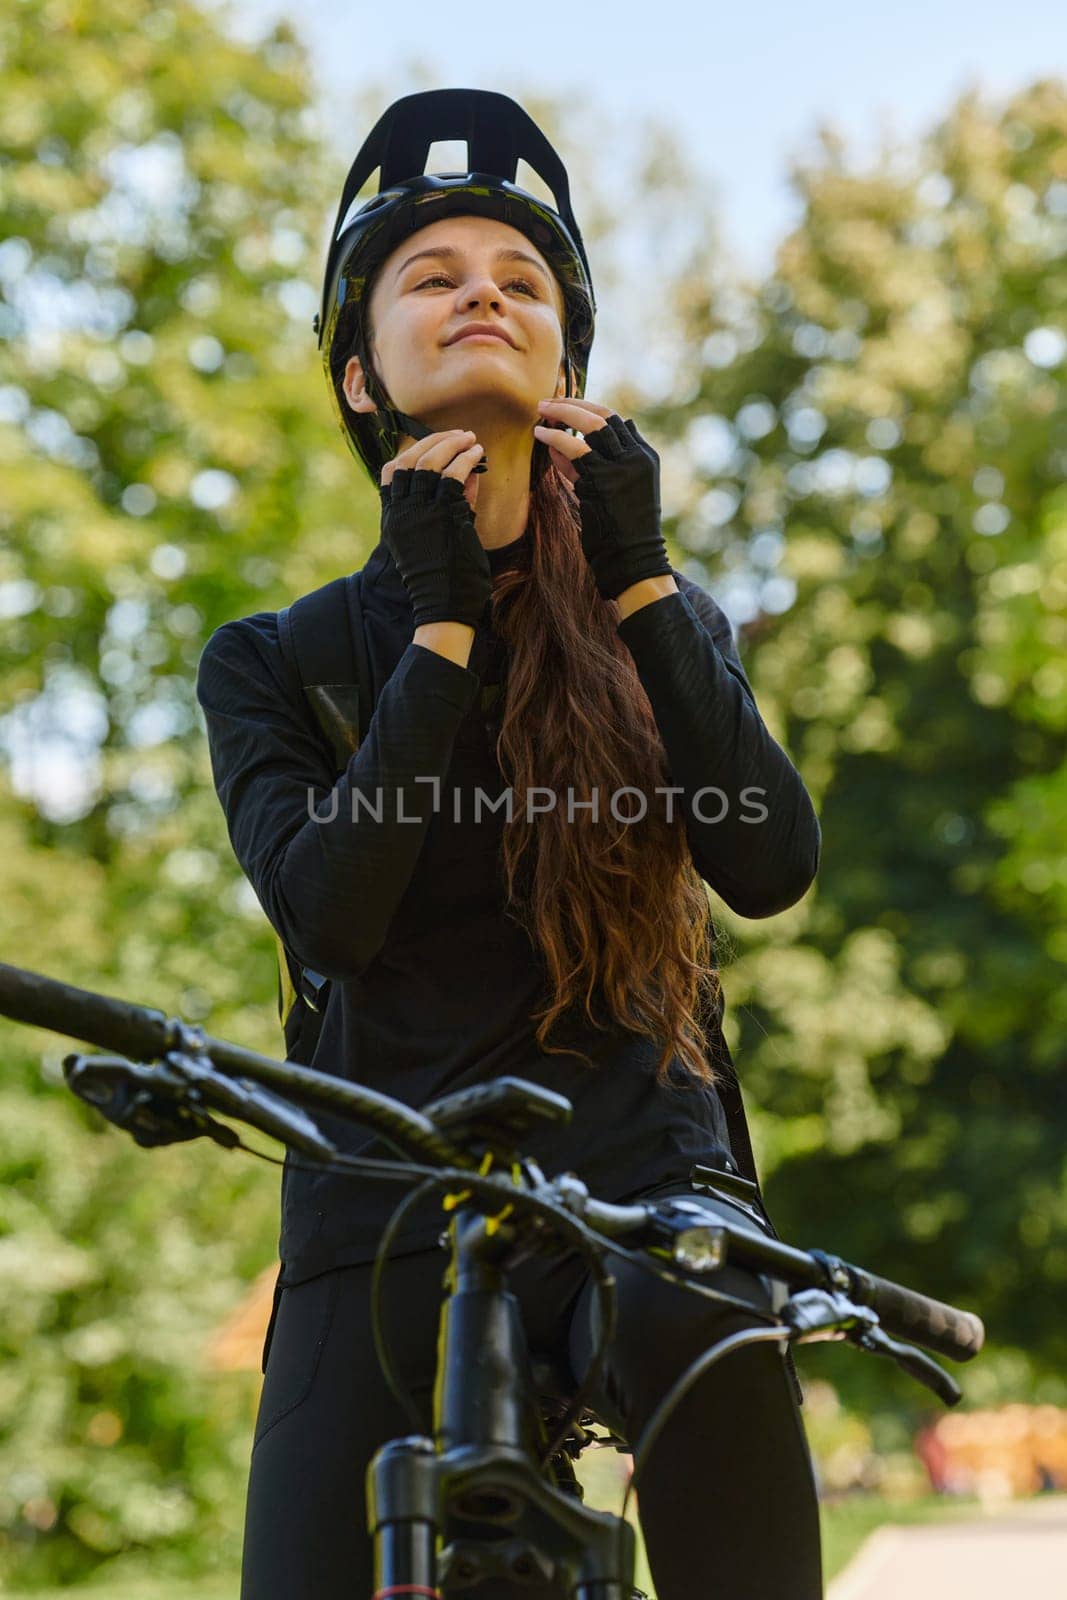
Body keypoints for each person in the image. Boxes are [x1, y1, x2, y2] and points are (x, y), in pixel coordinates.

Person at [196, 90, 824, 1599]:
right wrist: (441, 632)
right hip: (384, 1182)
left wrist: (646, 580)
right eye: (433, 275)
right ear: (362, 377)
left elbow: (769, 862)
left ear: (567, 370)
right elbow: (332, 916)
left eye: (520, 279)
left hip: (647, 1178)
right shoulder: (278, 660)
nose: (483, 289)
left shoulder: (652, 616)